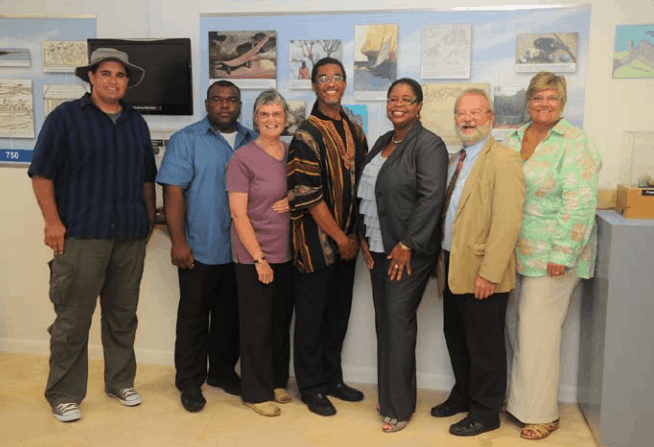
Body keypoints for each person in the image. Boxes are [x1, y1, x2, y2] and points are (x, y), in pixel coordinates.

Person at [28, 48, 156, 423]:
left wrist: (147, 221)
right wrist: (52, 222)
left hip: (130, 237)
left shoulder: (136, 123)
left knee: (122, 317)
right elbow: (41, 175)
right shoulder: (66, 118)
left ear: (127, 82)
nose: (113, 80)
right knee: (72, 319)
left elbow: (146, 178)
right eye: (105, 73)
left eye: (120, 75)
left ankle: (120, 382)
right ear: (91, 77)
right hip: (82, 236)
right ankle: (64, 393)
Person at [504, 72, 601, 440]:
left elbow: (580, 204)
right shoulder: (514, 138)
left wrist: (563, 252)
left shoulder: (576, 143)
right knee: (517, 328)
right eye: (537, 98)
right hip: (515, 255)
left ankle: (542, 412)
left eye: (552, 99)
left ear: (563, 103)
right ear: (527, 101)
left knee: (537, 333)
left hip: (554, 257)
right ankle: (520, 402)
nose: (544, 105)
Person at [156, 80, 256, 413]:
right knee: (194, 318)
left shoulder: (251, 140)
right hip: (200, 247)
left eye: (231, 100)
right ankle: (189, 382)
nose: (225, 105)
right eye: (218, 99)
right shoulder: (187, 140)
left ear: (240, 105)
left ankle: (223, 373)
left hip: (240, 250)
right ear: (207, 103)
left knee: (231, 317)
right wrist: (179, 242)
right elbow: (172, 192)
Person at [431, 88, 525, 436]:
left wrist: (490, 273)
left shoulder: (504, 159)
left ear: (491, 119)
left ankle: (485, 413)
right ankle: (464, 396)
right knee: (457, 337)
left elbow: (507, 222)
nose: (467, 119)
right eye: (461, 113)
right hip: (453, 265)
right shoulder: (458, 158)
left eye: (475, 113)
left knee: (484, 345)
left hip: (484, 271)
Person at [358, 78, 448, 433]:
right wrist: (363, 237)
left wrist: (408, 243)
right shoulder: (384, 140)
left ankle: (399, 406)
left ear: (419, 105)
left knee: (397, 325)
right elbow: (367, 192)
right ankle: (390, 394)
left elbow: (431, 198)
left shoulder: (429, 145)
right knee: (386, 325)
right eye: (392, 98)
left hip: (406, 253)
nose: (398, 104)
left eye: (406, 99)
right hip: (378, 250)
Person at [287, 57, 368, 416]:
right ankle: (311, 387)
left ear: (344, 82)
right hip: (318, 246)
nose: (331, 82)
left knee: (337, 316)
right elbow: (308, 195)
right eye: (323, 77)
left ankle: (333, 378)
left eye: (337, 77)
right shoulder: (306, 133)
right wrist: (339, 237)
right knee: (311, 319)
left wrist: (355, 239)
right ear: (315, 85)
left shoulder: (353, 126)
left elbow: (363, 182)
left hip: (347, 245)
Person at [226, 90, 295, 417]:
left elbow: (305, 186)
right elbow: (238, 214)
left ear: (286, 118)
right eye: (265, 114)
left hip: (288, 254)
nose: (271, 120)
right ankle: (255, 391)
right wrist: (259, 259)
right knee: (257, 325)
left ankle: (277, 380)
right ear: (255, 118)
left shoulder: (292, 151)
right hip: (254, 256)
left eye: (277, 115)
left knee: (280, 323)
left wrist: (293, 198)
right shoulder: (242, 158)